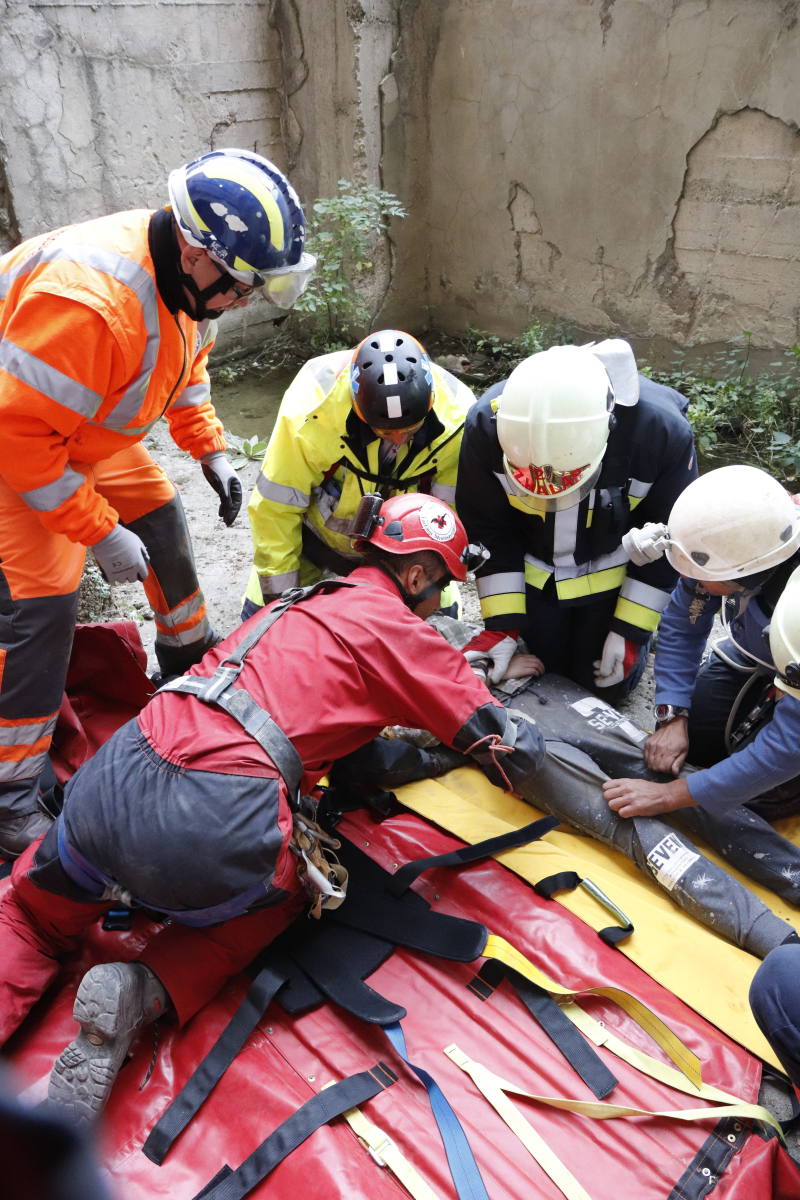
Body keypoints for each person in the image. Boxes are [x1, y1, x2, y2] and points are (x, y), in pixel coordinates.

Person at [0, 494, 543, 1128]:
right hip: (210, 822)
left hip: (114, 776)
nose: (439, 604)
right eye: (441, 588)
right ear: (417, 576)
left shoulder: (293, 605)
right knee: (297, 889)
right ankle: (147, 989)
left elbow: (345, 741)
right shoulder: (401, 631)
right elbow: (512, 750)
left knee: (28, 913)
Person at [0, 148, 316, 859]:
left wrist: (209, 450)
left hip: (74, 427)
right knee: (39, 609)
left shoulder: (185, 282)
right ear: (197, 253)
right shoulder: (89, 307)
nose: (244, 301)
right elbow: (18, 442)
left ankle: (187, 662)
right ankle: (10, 796)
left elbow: (185, 364)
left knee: (162, 520)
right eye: (242, 286)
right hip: (16, 444)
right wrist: (97, 531)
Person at [456, 339, 697, 702]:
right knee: (544, 673)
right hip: (537, 577)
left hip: (615, 578)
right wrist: (503, 628)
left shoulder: (659, 434)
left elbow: (669, 536)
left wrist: (631, 630)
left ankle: (647, 636)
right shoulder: (485, 428)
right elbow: (491, 532)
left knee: (606, 686)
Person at [602, 466, 800, 829]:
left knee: (756, 798)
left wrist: (668, 796)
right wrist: (672, 714)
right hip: (762, 654)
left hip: (792, 660)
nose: (688, 579)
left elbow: (790, 747)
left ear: (748, 572)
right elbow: (682, 624)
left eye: (701, 575)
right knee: (695, 741)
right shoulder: (748, 538)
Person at [243, 329, 476, 619]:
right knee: (263, 625)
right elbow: (276, 509)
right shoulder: (309, 413)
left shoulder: (458, 422)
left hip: (402, 557)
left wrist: (428, 590)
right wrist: (280, 605)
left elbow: (444, 524)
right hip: (313, 542)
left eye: (411, 430)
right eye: (384, 432)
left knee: (439, 629)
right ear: (359, 412)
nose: (399, 440)